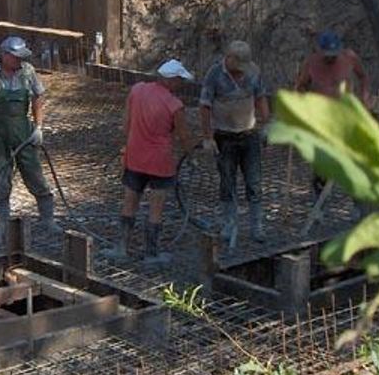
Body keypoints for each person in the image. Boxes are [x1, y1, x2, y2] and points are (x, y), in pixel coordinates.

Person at [105, 59, 199, 264]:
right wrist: (191, 157)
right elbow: (183, 136)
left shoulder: (137, 90)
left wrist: (126, 146)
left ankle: (121, 247)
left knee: (129, 202)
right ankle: (151, 253)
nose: (181, 84)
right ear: (171, 80)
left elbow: (126, 124)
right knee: (156, 207)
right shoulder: (175, 105)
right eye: (180, 80)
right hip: (160, 162)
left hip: (135, 157)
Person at [0, 35, 57, 242]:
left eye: (21, 57)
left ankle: (47, 219)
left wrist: (38, 127)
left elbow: (37, 97)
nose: (19, 61)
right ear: (5, 55)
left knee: (34, 173)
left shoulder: (27, 71)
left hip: (22, 129)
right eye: (16, 57)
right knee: (1, 179)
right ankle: (1, 224)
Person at [199, 40, 271, 245]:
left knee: (254, 182)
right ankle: (229, 224)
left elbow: (261, 98)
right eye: (238, 66)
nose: (241, 71)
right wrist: (207, 137)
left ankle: (257, 227)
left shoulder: (253, 72)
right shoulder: (214, 75)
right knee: (227, 182)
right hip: (225, 136)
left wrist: (266, 124)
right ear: (228, 59)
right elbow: (204, 106)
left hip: (249, 135)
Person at [295, 31, 371, 199]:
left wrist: (364, 101)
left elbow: (363, 77)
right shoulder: (311, 63)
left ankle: (358, 202)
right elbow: (300, 87)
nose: (331, 58)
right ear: (320, 51)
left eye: (334, 54)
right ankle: (318, 199)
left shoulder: (349, 58)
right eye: (327, 55)